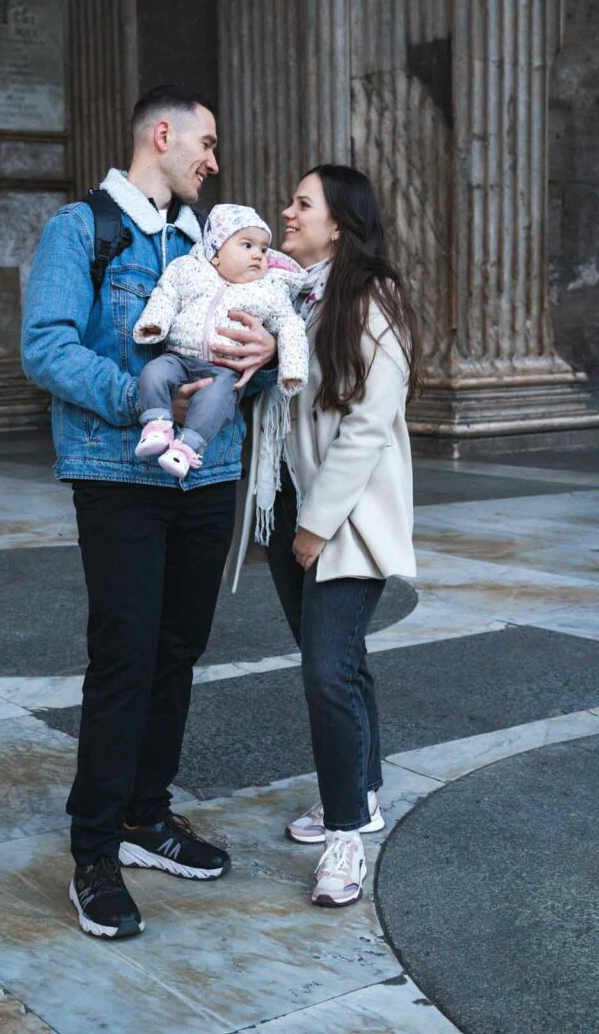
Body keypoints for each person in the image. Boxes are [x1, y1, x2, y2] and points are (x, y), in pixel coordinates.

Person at [21, 85, 277, 940]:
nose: (214, 160)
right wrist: (142, 398)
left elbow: (248, 357)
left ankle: (145, 818)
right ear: (160, 135)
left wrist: (266, 353)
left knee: (178, 650)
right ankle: (94, 850)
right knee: (125, 657)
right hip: (118, 473)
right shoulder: (81, 230)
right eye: (205, 142)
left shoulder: (217, 243)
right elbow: (47, 347)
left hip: (209, 474)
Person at [231, 165, 420, 908]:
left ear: (338, 222)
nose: (287, 211)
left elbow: (370, 422)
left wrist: (314, 526)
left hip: (340, 518)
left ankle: (346, 833)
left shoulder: (374, 298)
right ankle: (361, 792)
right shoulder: (292, 295)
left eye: (302, 203)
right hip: (286, 505)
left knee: (325, 673)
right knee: (336, 659)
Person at [133, 203, 309, 478]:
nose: (258, 256)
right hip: (178, 356)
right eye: (247, 245)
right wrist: (154, 323)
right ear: (215, 253)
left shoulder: (268, 290)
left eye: (263, 249)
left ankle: (186, 448)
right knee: (153, 372)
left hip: (224, 370)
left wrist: (291, 369)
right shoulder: (189, 270)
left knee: (216, 400)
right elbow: (167, 294)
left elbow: (290, 324)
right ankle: (157, 425)